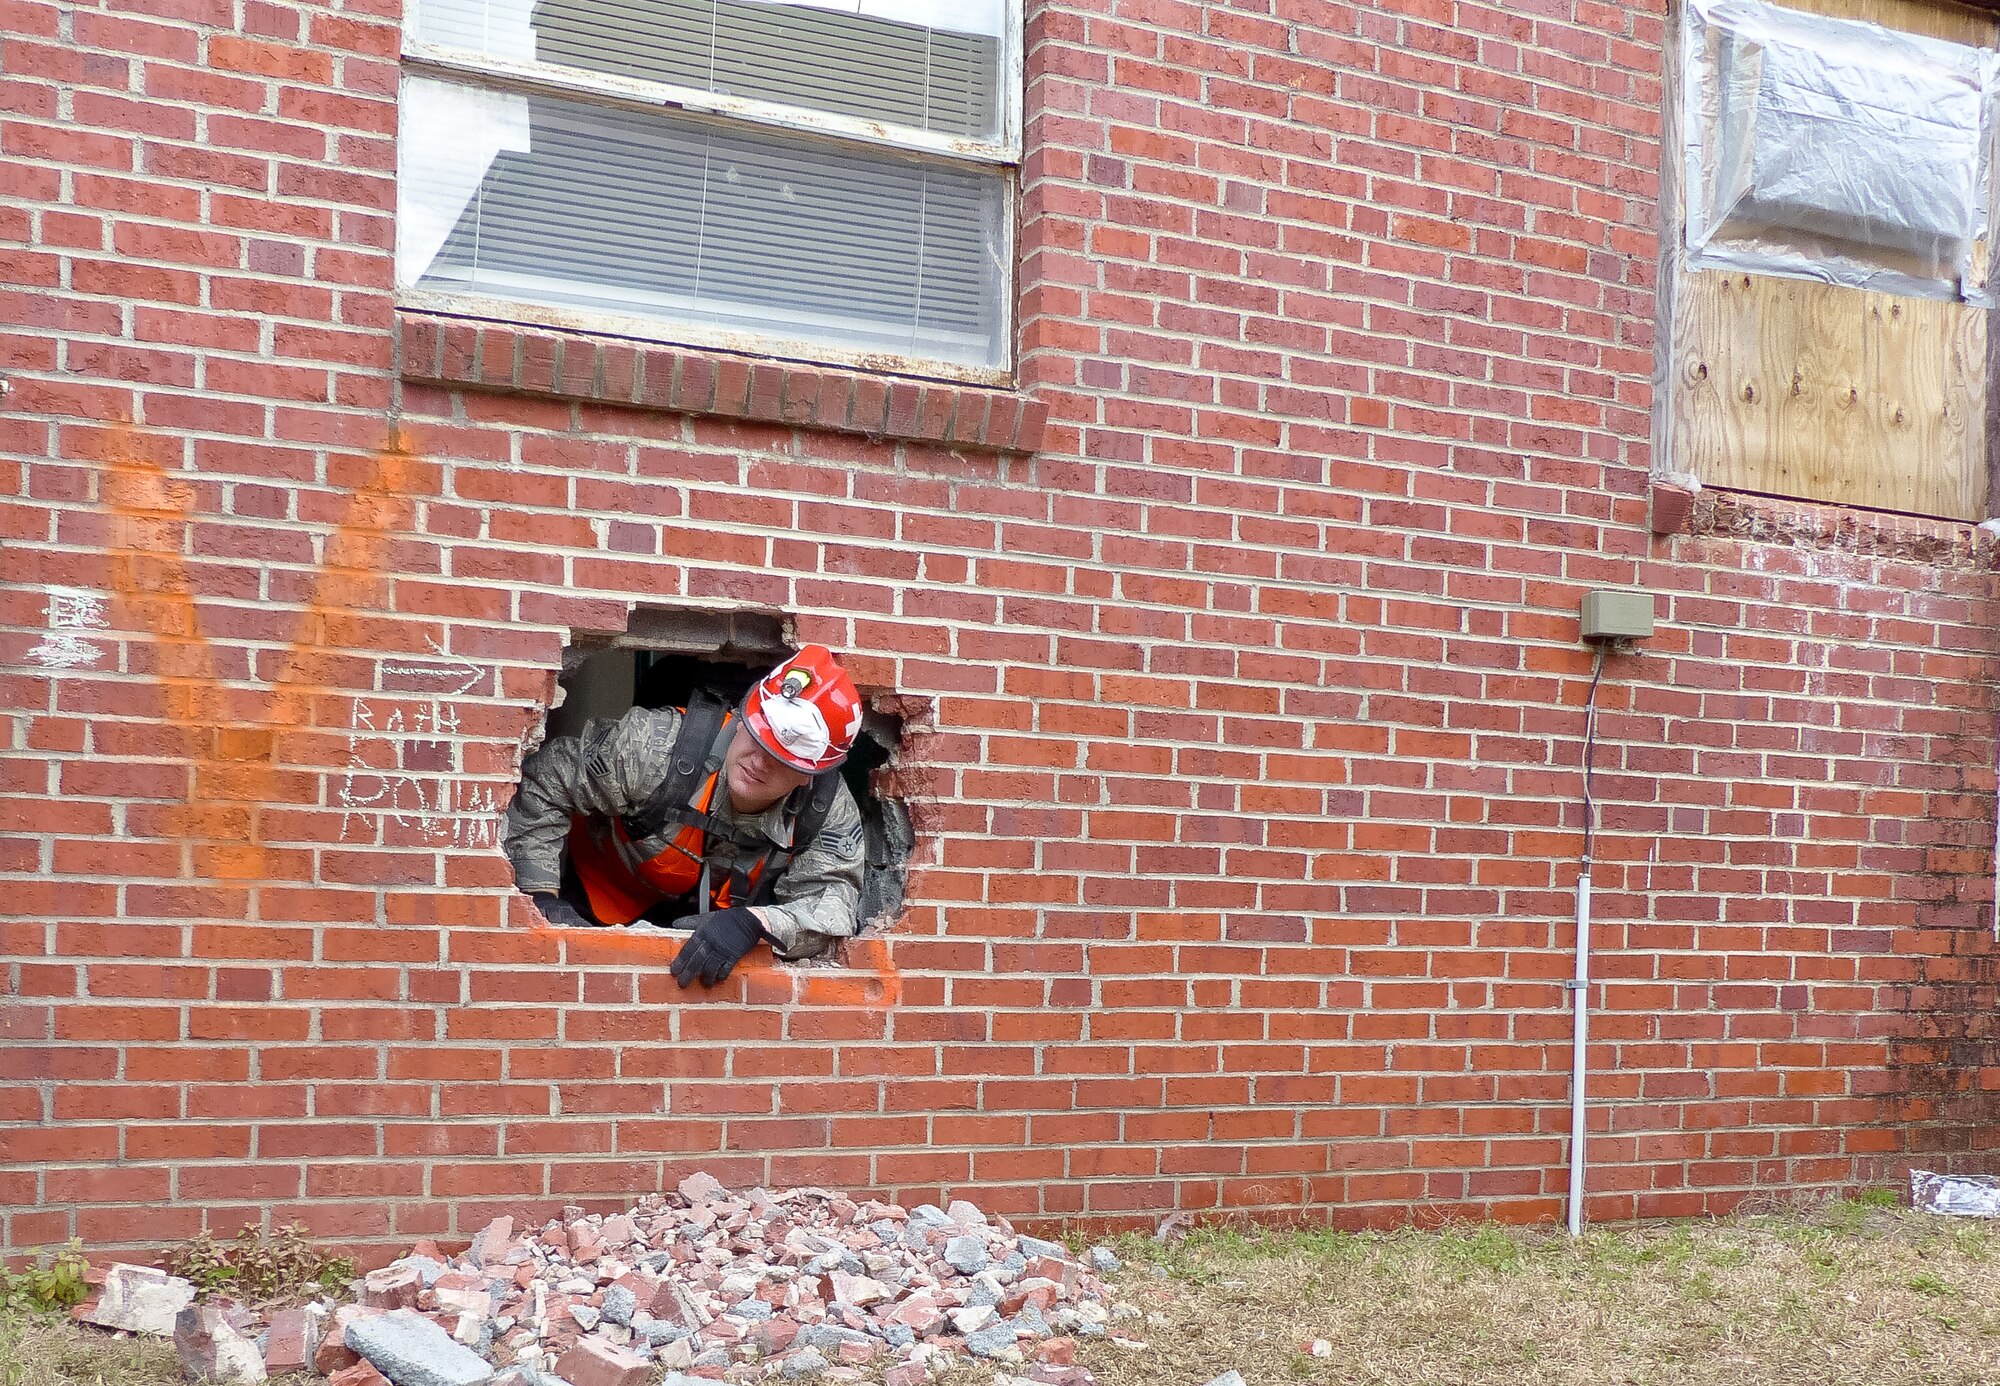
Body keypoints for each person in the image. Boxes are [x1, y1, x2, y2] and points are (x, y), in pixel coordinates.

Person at [504, 645, 869, 988]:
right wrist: (539, 894)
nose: (758, 761)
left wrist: (758, 923)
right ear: (743, 717)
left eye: (783, 758)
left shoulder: (825, 807)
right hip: (595, 891)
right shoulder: (651, 746)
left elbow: (833, 903)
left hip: (708, 926)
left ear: (810, 773)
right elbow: (548, 778)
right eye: (759, 736)